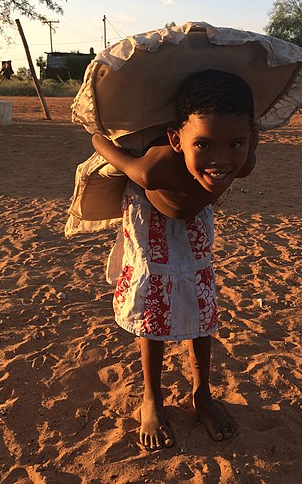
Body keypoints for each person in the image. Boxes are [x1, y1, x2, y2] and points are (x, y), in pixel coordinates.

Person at [92, 69, 258, 451]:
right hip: (151, 227)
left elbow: (242, 148)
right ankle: (152, 398)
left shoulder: (242, 161)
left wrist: (246, 141)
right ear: (175, 140)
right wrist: (100, 139)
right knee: (156, 303)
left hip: (194, 226)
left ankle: (202, 393)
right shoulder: (153, 168)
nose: (220, 160)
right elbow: (110, 152)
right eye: (203, 145)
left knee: (199, 301)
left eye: (235, 143)